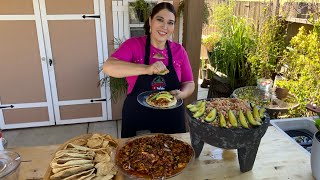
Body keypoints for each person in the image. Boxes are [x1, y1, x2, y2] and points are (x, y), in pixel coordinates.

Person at [103, 2, 195, 138]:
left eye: (170, 22)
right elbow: (109, 67)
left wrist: (181, 94)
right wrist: (146, 68)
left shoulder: (179, 51)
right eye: (160, 19)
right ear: (150, 21)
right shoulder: (133, 45)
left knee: (174, 156)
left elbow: (189, 82)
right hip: (138, 116)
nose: (165, 26)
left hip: (172, 117)